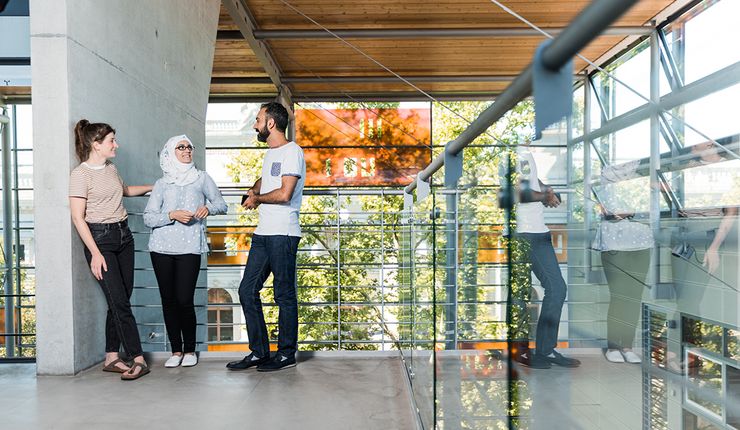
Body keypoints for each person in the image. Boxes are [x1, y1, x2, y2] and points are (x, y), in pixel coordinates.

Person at [68, 119, 153, 381]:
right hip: (100, 240)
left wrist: (153, 187)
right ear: (96, 145)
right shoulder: (80, 175)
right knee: (120, 302)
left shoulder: (111, 168)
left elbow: (124, 191)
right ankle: (138, 359)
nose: (117, 144)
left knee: (120, 299)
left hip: (124, 237)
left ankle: (111, 357)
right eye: (111, 141)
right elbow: (78, 218)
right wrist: (95, 252)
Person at [227, 102, 305, 372]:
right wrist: (253, 190)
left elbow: (284, 194)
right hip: (264, 234)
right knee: (246, 290)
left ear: (271, 123)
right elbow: (266, 181)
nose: (255, 124)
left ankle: (286, 354)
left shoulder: (292, 151)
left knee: (284, 295)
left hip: (283, 233)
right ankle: (259, 352)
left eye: (258, 119)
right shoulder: (272, 154)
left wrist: (258, 199)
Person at [144, 135, 227, 368]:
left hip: (190, 246)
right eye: (181, 147)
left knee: (184, 299)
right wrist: (171, 215)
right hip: (160, 248)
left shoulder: (202, 179)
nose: (187, 150)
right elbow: (148, 217)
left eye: (189, 147)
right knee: (168, 300)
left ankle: (190, 350)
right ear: (170, 152)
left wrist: (207, 208)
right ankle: (176, 350)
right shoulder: (162, 184)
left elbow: (221, 204)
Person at [505, 141, 581, 369]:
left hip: (539, 232)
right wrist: (544, 197)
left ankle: (546, 350)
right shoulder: (514, 154)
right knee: (520, 293)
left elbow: (533, 184)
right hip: (521, 234)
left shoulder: (526, 154)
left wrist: (548, 191)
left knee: (557, 288)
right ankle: (518, 350)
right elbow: (519, 192)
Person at [593, 161, 653, 364]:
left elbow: (655, 207)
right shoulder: (609, 176)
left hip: (642, 243)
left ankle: (627, 346)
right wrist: (638, 208)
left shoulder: (647, 176)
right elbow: (613, 212)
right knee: (619, 296)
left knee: (634, 297)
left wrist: (635, 208)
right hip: (615, 244)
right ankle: (613, 346)